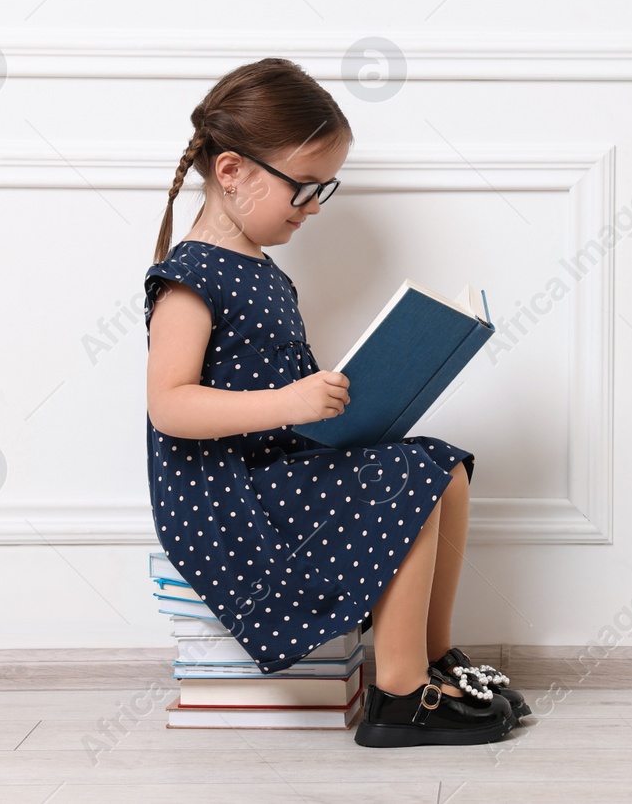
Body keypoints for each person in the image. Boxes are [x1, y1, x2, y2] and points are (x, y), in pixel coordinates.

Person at [142, 57, 528, 747]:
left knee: (446, 465)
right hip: (227, 494)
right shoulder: (190, 278)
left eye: (326, 187)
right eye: (305, 186)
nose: (315, 205)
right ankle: (401, 692)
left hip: (275, 465)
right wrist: (289, 401)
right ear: (232, 172)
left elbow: (290, 399)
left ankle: (436, 657)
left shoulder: (265, 273)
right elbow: (170, 405)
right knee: (411, 477)